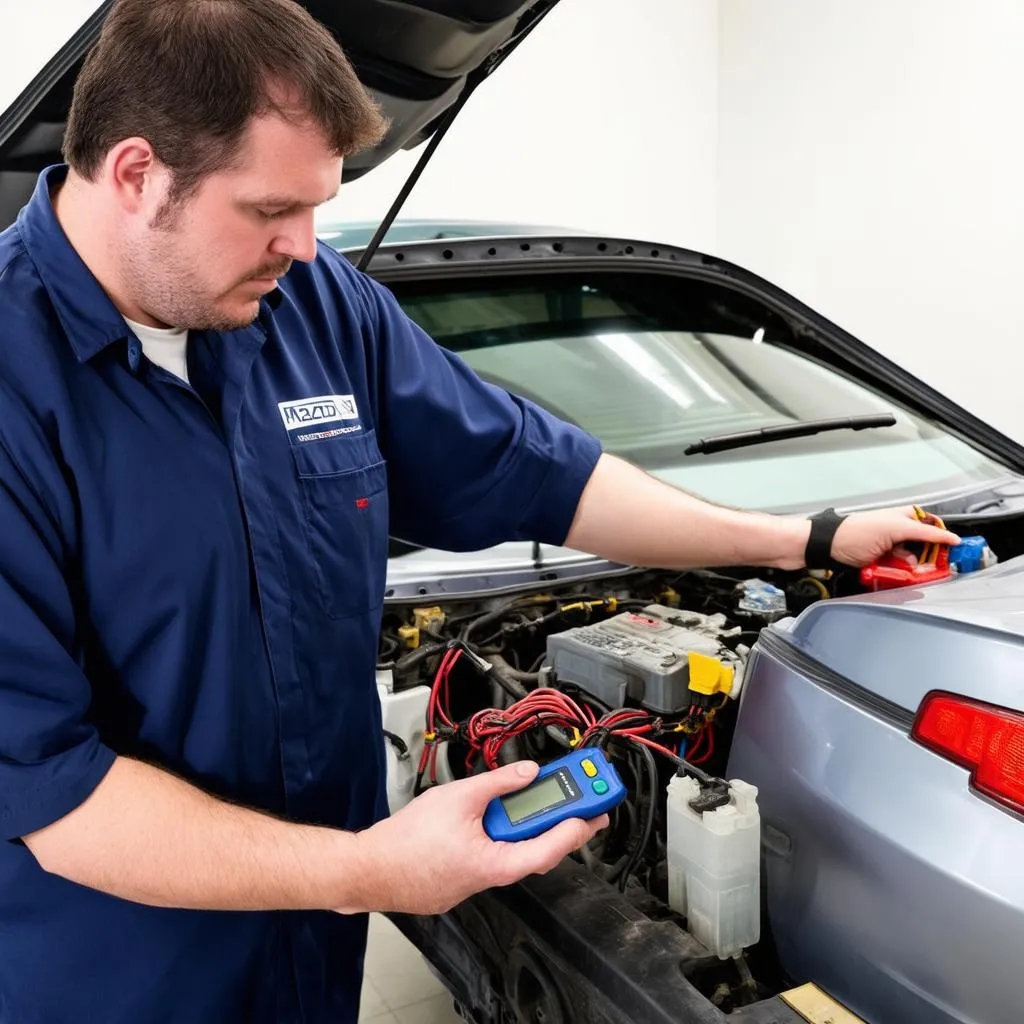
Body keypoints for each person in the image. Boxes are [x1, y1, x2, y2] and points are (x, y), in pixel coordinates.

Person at [0, 1, 959, 1021]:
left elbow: (542, 472)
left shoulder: (317, 309)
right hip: (116, 978)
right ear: (140, 174)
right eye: (271, 209)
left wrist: (805, 539)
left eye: (320, 206)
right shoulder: (17, 390)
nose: (304, 244)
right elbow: (58, 796)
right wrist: (371, 871)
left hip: (312, 963)